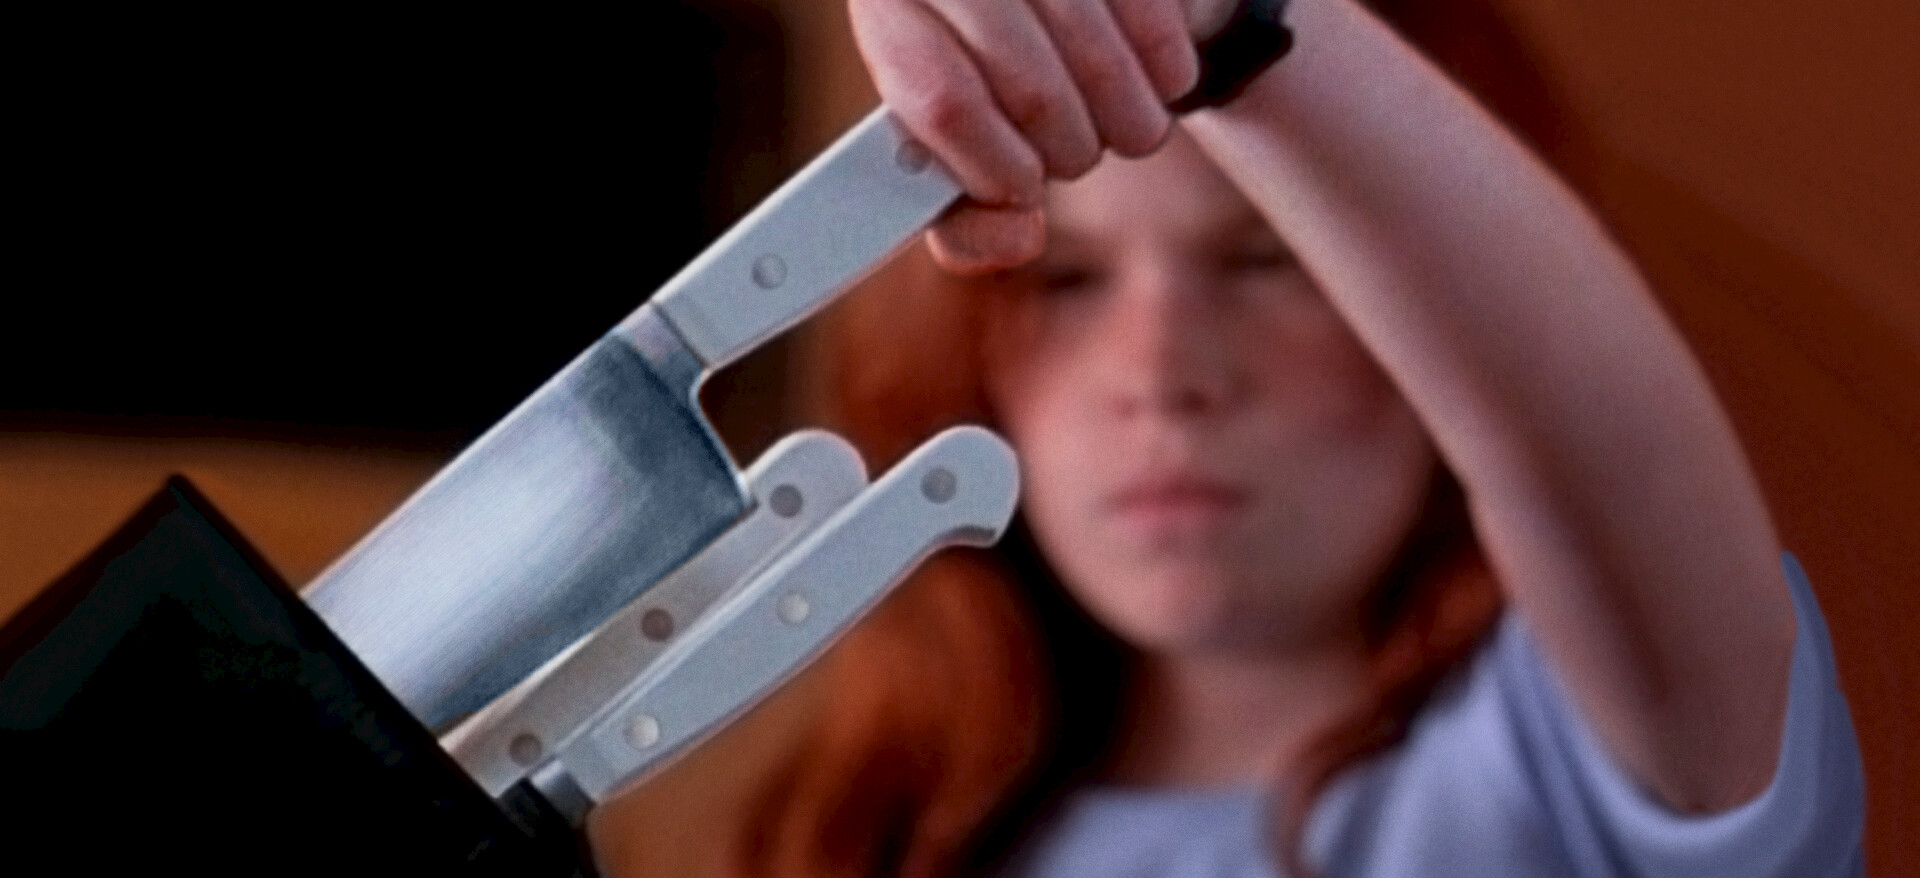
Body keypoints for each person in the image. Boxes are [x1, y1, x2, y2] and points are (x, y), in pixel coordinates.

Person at [591, 0, 1866, 875]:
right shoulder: (867, 839)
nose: (1161, 376)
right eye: (1066, 281)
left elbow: (1592, 424)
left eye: (1267, 263)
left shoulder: (1587, 767)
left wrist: (1234, 27)